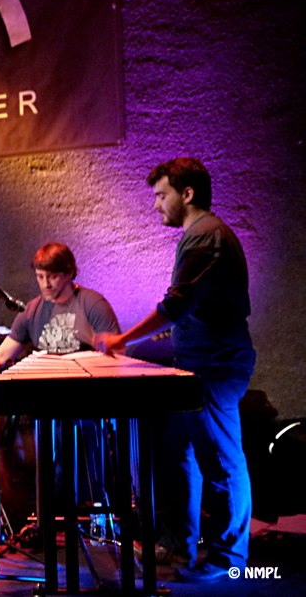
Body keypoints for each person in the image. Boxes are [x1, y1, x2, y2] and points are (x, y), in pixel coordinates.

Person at [95, 157, 255, 583]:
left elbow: (176, 304)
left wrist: (122, 339)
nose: (156, 205)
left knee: (221, 461)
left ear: (187, 194)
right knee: (180, 454)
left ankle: (228, 559)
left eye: (161, 195)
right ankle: (183, 546)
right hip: (198, 365)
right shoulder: (200, 235)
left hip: (214, 367)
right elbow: (195, 307)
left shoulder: (205, 236)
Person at [0, 242, 120, 506]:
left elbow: (117, 355)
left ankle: (88, 506)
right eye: (40, 276)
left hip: (86, 403)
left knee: (80, 446)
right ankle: (46, 509)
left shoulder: (92, 304)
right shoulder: (32, 310)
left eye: (52, 276)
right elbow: (2, 355)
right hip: (46, 405)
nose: (46, 284)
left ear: (70, 272)